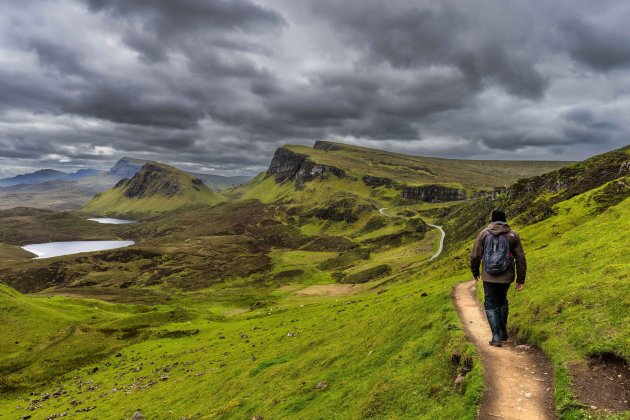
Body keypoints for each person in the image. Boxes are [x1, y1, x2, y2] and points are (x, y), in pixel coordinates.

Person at [470, 209, 527, 347]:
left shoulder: (483, 234)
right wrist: (520, 279)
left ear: (492, 220)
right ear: (505, 220)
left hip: (488, 276)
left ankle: (495, 337)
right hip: (506, 276)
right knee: (502, 300)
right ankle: (503, 333)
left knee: (490, 302)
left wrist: (475, 272)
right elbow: (520, 259)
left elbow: (475, 255)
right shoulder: (513, 235)